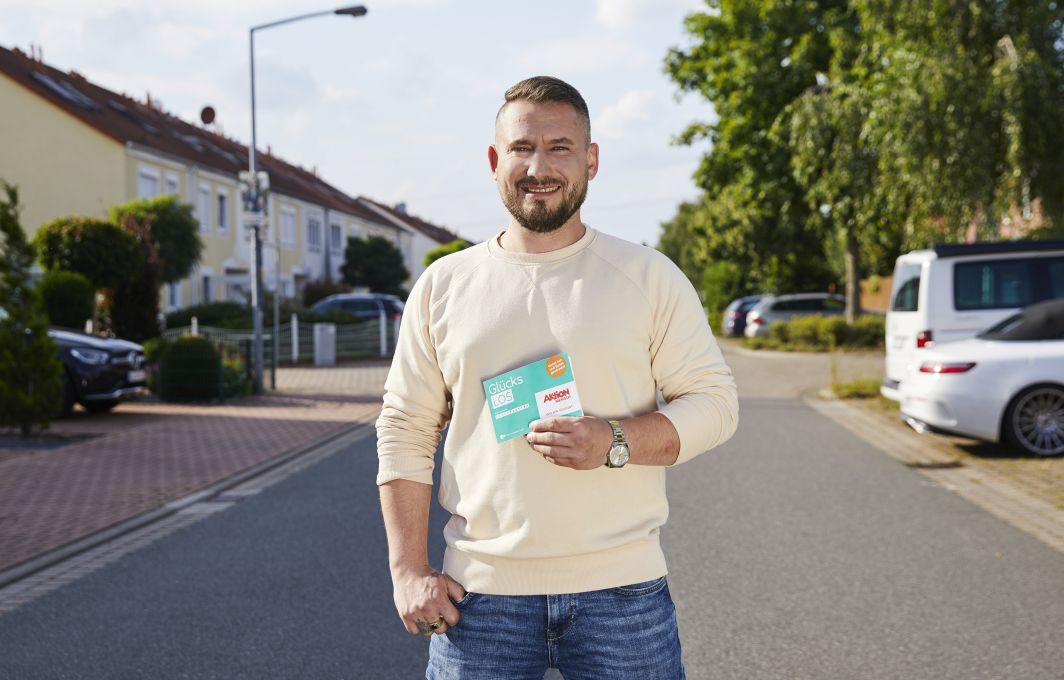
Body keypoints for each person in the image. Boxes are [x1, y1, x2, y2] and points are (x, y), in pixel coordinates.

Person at [377, 75, 739, 679]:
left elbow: (715, 404)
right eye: (521, 148)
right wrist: (408, 570)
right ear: (495, 161)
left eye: (560, 147)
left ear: (591, 161)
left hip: (623, 595)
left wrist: (613, 442)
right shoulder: (444, 286)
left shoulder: (647, 276)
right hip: (480, 599)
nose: (538, 166)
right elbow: (405, 429)